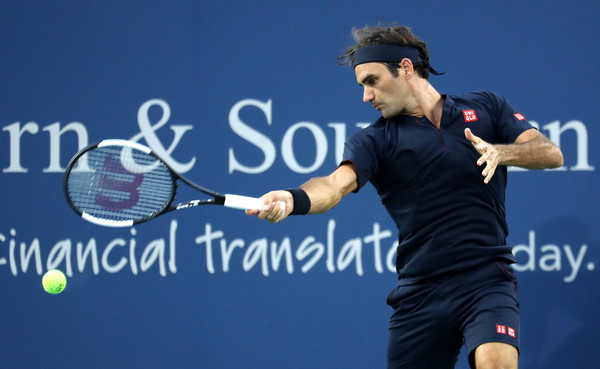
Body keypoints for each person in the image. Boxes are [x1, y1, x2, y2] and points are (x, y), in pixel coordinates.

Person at [246, 24, 564, 369]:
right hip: (420, 293)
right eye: (362, 86)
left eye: (372, 81)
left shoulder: (487, 106)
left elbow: (550, 152)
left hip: (487, 277)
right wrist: (294, 200)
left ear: (406, 68)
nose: (366, 96)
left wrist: (502, 153)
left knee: (497, 363)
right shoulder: (374, 141)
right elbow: (334, 186)